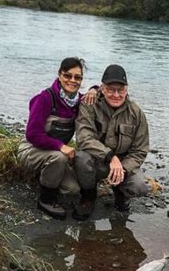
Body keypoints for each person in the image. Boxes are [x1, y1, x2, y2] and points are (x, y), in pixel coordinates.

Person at [17, 57, 97, 220]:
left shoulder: (79, 101)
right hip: (31, 149)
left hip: (54, 154)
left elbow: (106, 95)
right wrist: (60, 146)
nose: (72, 81)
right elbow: (32, 134)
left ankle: (42, 177)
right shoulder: (46, 98)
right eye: (67, 75)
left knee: (72, 190)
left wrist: (95, 89)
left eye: (77, 77)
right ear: (59, 75)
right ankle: (45, 200)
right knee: (58, 157)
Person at [73, 64, 150, 220]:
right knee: (81, 158)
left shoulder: (136, 113)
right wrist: (109, 156)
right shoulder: (89, 104)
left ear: (126, 89)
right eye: (110, 89)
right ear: (102, 88)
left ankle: (121, 195)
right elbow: (84, 138)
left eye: (120, 90)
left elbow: (140, 150)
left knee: (140, 186)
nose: (116, 94)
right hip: (97, 161)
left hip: (122, 164)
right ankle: (88, 196)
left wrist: (123, 169)